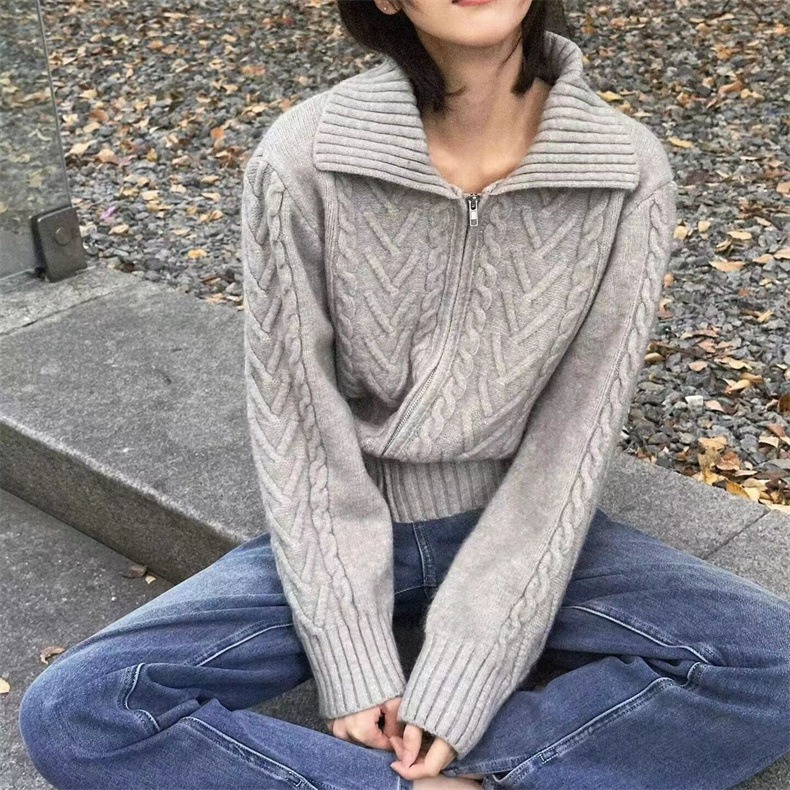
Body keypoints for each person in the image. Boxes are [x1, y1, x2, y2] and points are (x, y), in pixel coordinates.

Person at [18, 1, 790, 788]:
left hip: (530, 525)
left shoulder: (625, 169)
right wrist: (348, 649)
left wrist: (470, 673)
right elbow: (298, 421)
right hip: (350, 525)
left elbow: (576, 435)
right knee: (78, 710)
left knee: (777, 661)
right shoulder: (304, 158)